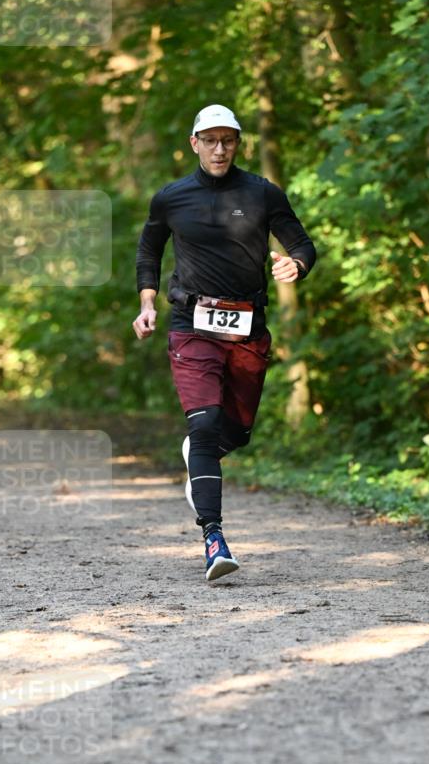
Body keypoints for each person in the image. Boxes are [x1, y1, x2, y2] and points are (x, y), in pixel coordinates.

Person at [133, 104, 316, 581]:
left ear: (237, 144)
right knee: (206, 422)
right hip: (191, 324)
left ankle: (199, 454)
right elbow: (149, 250)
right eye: (210, 140)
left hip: (247, 329)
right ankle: (213, 538)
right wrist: (147, 303)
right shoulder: (171, 198)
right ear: (194, 143)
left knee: (233, 433)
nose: (219, 149)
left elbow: (302, 243)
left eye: (228, 140)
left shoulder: (262, 193)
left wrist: (296, 264)